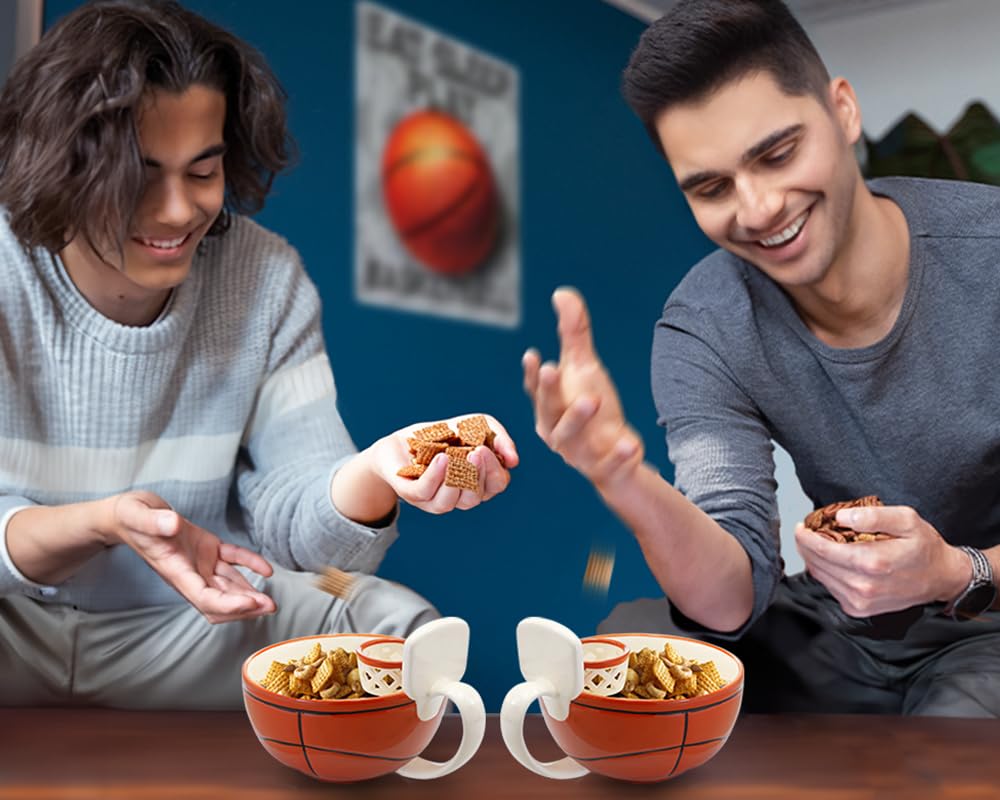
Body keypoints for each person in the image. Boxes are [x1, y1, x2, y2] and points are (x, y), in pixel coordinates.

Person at [0, 0, 517, 710]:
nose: (179, 211)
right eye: (141, 175)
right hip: (10, 621)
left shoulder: (264, 277)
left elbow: (300, 521)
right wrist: (100, 521)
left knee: (386, 618)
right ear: (63, 163)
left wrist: (378, 469)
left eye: (202, 171)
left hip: (192, 624)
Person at [524, 0, 1000, 716]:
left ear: (842, 111)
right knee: (630, 654)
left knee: (953, 728)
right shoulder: (706, 324)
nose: (757, 209)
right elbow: (729, 596)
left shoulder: (989, 259)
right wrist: (624, 479)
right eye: (712, 188)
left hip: (986, 620)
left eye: (776, 155)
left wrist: (953, 572)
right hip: (836, 628)